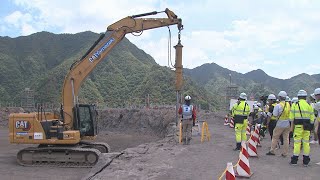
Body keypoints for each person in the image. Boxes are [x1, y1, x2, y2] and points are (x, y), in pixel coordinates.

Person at [289, 90, 314, 166]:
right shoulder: (308, 105)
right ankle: (306, 161)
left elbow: (291, 119)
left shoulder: (295, 105)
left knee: (297, 143)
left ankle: (295, 160)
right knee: (306, 143)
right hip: (307, 127)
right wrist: (311, 128)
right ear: (305, 97)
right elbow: (312, 119)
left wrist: (291, 129)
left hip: (298, 127)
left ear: (298, 97)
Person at [266, 91, 291, 157]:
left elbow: (275, 114)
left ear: (279, 97)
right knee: (286, 138)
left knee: (275, 137)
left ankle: (272, 150)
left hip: (280, 122)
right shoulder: (288, 104)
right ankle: (285, 153)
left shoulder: (278, 105)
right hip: (287, 123)